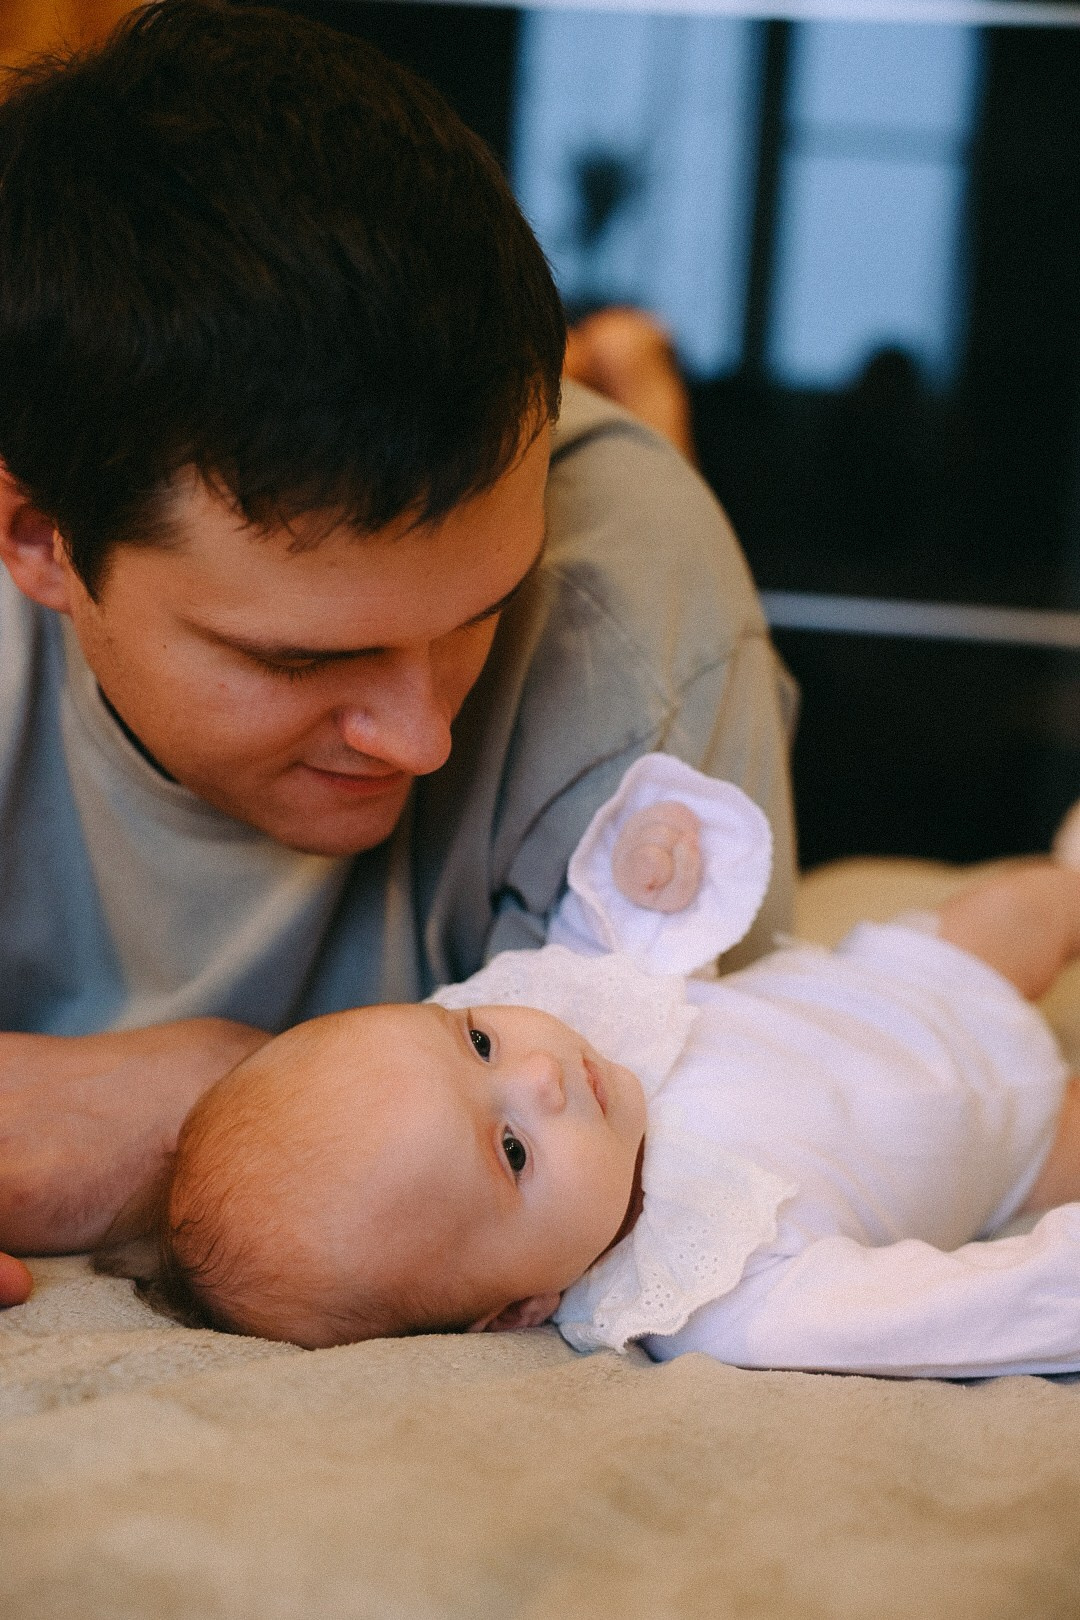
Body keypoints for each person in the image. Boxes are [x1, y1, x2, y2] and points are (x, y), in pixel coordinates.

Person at [0, 0, 797, 1299]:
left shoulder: (627, 604)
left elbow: (706, 1177)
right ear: (38, 539)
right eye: (304, 661)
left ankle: (636, 399)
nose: (424, 737)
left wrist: (189, 1100)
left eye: (482, 608)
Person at [133, 755, 1080, 1380]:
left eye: (474, 1040)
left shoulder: (569, 1015)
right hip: (1018, 1150)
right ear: (517, 1309)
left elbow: (621, 928)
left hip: (910, 979)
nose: (539, 1077)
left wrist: (651, 861)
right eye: (510, 1151)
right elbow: (953, 1311)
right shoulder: (716, 1297)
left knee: (1015, 911)